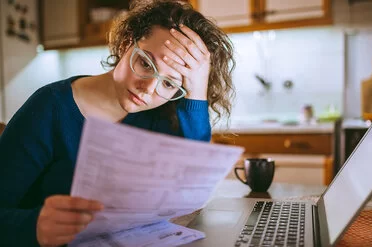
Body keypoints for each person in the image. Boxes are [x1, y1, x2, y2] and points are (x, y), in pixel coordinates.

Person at [0, 1, 235, 246]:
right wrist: (35, 226)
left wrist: (196, 91)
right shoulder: (49, 107)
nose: (147, 89)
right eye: (145, 63)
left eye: (169, 84)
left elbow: (192, 188)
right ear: (125, 45)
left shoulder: (163, 115)